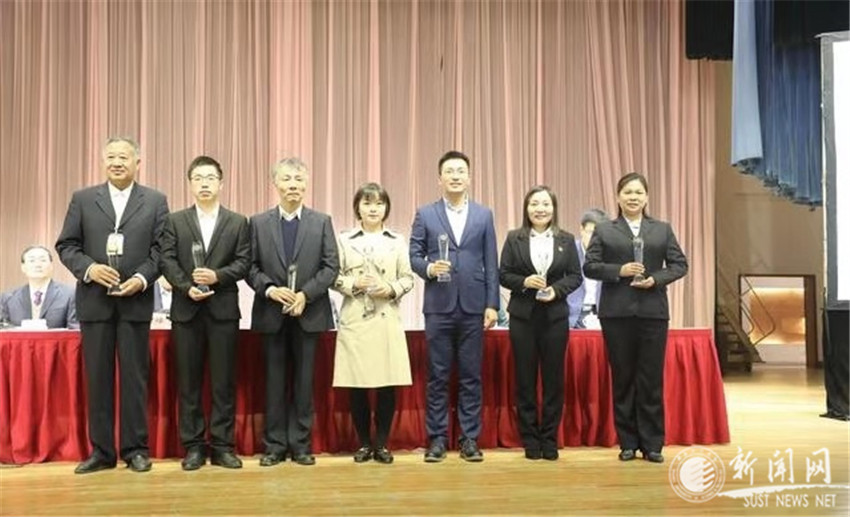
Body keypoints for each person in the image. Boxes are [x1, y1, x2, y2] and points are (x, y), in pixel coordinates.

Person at [55, 136, 169, 474]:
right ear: (103, 161)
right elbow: (67, 245)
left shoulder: (155, 200)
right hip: (95, 303)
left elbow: (161, 250)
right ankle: (102, 452)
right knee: (98, 379)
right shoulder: (83, 199)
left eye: (124, 157)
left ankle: (136, 450)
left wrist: (142, 278)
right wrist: (89, 269)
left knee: (135, 379)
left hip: (136, 302)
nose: (117, 163)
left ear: (138, 162)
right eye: (111, 157)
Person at [583, 172, 688, 464]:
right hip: (616, 314)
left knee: (650, 379)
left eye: (638, 192)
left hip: (653, 313)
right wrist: (619, 271)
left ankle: (653, 444)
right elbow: (590, 266)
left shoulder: (662, 229)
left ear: (646, 197)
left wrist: (655, 279)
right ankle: (627, 442)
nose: (633, 197)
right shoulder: (605, 230)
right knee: (623, 378)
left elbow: (679, 264)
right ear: (618, 197)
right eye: (627, 192)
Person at [158, 155, 251, 470]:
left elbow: (244, 262)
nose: (205, 184)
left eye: (210, 178)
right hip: (187, 310)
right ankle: (194, 446)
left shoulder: (238, 222)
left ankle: (223, 446)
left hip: (223, 311)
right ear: (190, 184)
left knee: (223, 382)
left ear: (221, 183)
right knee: (189, 382)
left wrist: (217, 276)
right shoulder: (174, 221)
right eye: (198, 178)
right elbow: (167, 260)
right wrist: (187, 287)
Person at [248, 157, 339, 467]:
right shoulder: (258, 223)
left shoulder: (321, 221)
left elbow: (331, 267)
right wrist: (271, 290)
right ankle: (274, 445)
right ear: (275, 183)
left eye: (299, 179)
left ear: (307, 183)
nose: (293, 185)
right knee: (273, 383)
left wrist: (305, 295)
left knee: (304, 383)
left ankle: (300, 444)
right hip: (271, 313)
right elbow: (250, 267)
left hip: (308, 314)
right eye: (286, 179)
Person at [409, 150, 499, 463]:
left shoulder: (484, 215)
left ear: (469, 177)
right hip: (439, 306)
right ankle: (436, 439)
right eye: (450, 171)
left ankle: (469, 439)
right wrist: (428, 268)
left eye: (461, 171)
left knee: (471, 376)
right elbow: (414, 255)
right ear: (440, 178)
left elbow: (491, 262)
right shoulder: (425, 214)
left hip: (473, 306)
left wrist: (492, 303)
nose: (456, 176)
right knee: (438, 375)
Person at [332, 183, 414, 464]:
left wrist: (389, 288)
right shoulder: (344, 239)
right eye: (367, 203)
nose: (373, 209)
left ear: (386, 208)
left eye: (379, 203)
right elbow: (333, 276)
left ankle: (381, 444)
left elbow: (408, 278)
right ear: (358, 207)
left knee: (386, 383)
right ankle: (364, 443)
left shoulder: (396, 241)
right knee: (356, 383)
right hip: (355, 317)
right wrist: (354, 283)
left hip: (386, 316)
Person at [499, 186, 582, 461]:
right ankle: (530, 439)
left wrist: (556, 290)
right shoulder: (514, 238)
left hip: (555, 317)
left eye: (545, 204)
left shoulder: (566, 239)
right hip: (523, 318)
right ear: (526, 208)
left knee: (553, 380)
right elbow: (503, 274)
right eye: (534, 203)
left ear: (553, 208)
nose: (540, 209)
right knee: (524, 380)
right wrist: (524, 282)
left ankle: (549, 438)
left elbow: (575, 276)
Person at [0, 246, 79, 329]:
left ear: (51, 265)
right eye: (32, 261)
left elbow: (74, 329)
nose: (38, 265)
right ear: (23, 267)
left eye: (43, 260)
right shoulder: (8, 298)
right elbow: (3, 328)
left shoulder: (69, 294)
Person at [566, 208, 608, 329]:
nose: (595, 239)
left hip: (602, 314)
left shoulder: (611, 254)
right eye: (591, 233)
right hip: (573, 314)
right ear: (581, 230)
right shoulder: (568, 251)